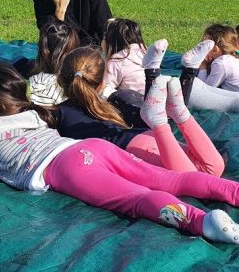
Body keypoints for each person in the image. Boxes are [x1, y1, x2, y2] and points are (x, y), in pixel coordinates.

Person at [0, 60, 239, 250]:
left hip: (65, 167)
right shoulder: (33, 115)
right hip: (89, 149)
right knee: (167, 178)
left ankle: (203, 222)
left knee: (137, 199)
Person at [100, 17, 239, 121]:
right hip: (176, 84)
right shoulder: (144, 49)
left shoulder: (115, 62)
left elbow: (106, 92)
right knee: (231, 97)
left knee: (232, 101)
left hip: (166, 99)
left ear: (110, 41)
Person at [56, 46, 225, 176]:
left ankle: (162, 120)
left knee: (193, 181)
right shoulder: (110, 102)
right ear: (101, 82)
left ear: (59, 79)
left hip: (131, 149)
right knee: (214, 167)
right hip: (147, 137)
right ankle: (179, 113)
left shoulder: (60, 113)